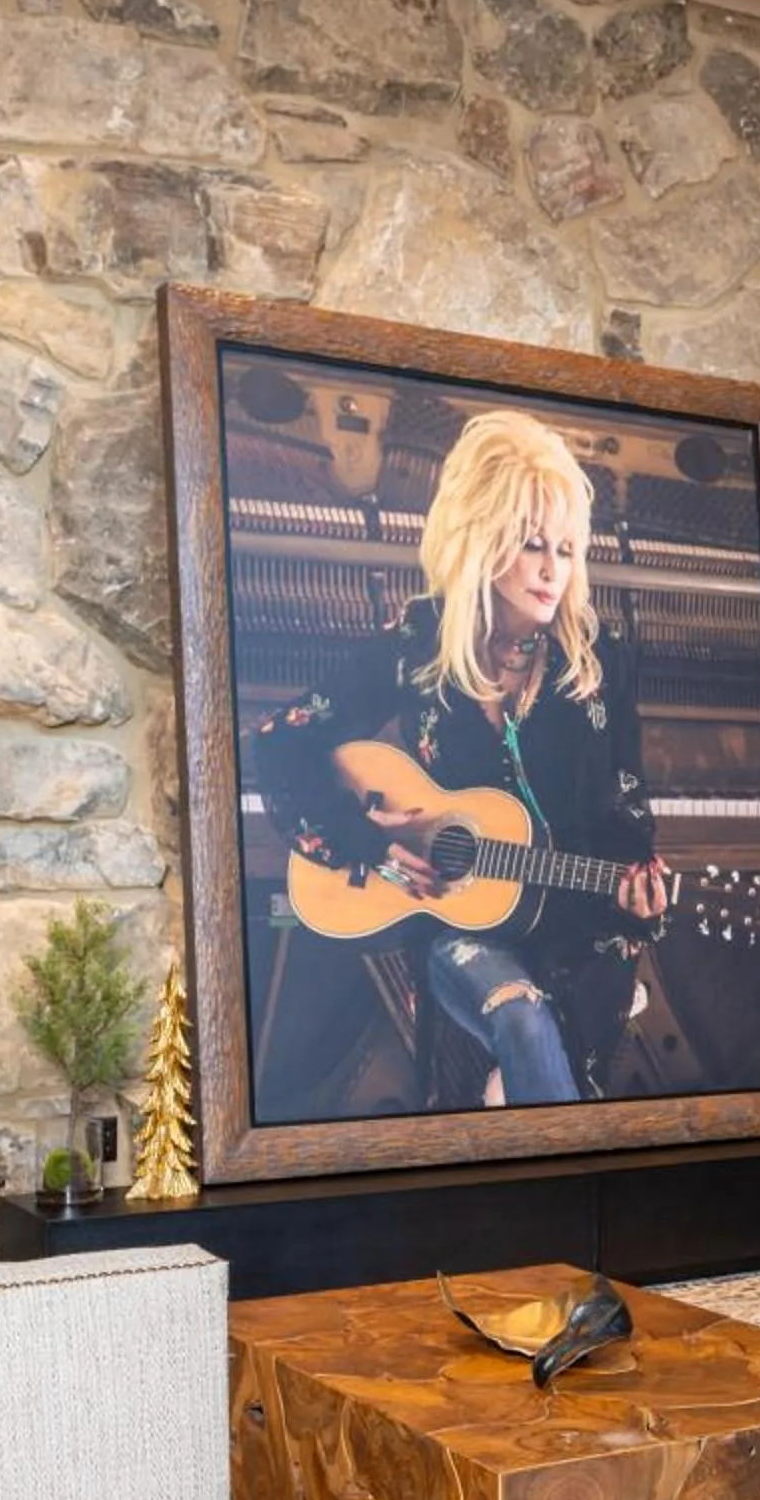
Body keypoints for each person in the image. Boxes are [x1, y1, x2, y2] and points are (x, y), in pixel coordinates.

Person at [249, 407, 671, 1108]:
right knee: (522, 1021)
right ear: (484, 538)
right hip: (460, 927)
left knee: (546, 1054)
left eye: (566, 549)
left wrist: (639, 896)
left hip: (579, 935)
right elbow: (280, 741)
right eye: (532, 543)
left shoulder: (600, 665)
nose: (551, 570)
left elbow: (627, 823)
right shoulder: (420, 643)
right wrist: (368, 836)